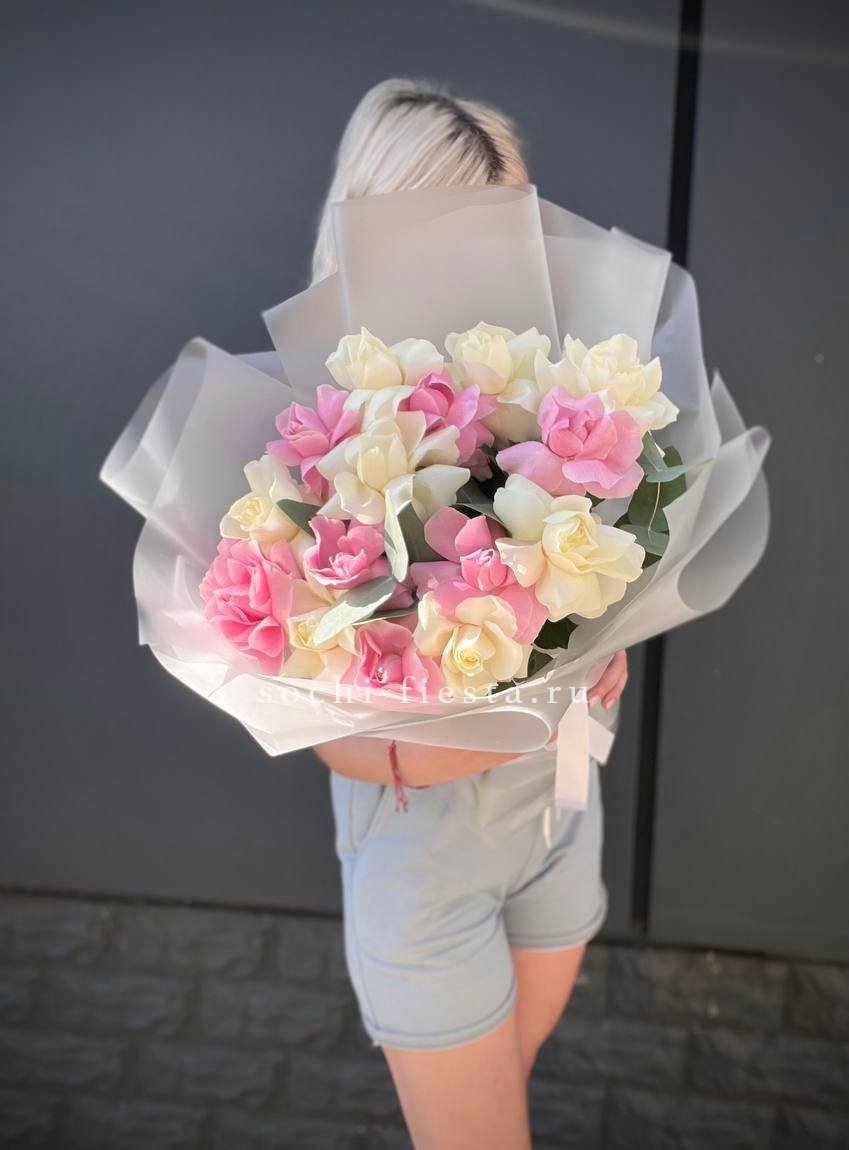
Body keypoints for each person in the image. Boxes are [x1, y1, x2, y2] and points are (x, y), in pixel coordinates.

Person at [311, 78, 629, 1150]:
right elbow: (317, 735)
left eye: (502, 232)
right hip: (426, 862)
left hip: (560, 821)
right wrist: (490, 731)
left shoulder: (543, 390)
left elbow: (606, 586)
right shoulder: (311, 439)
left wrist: (605, 639)